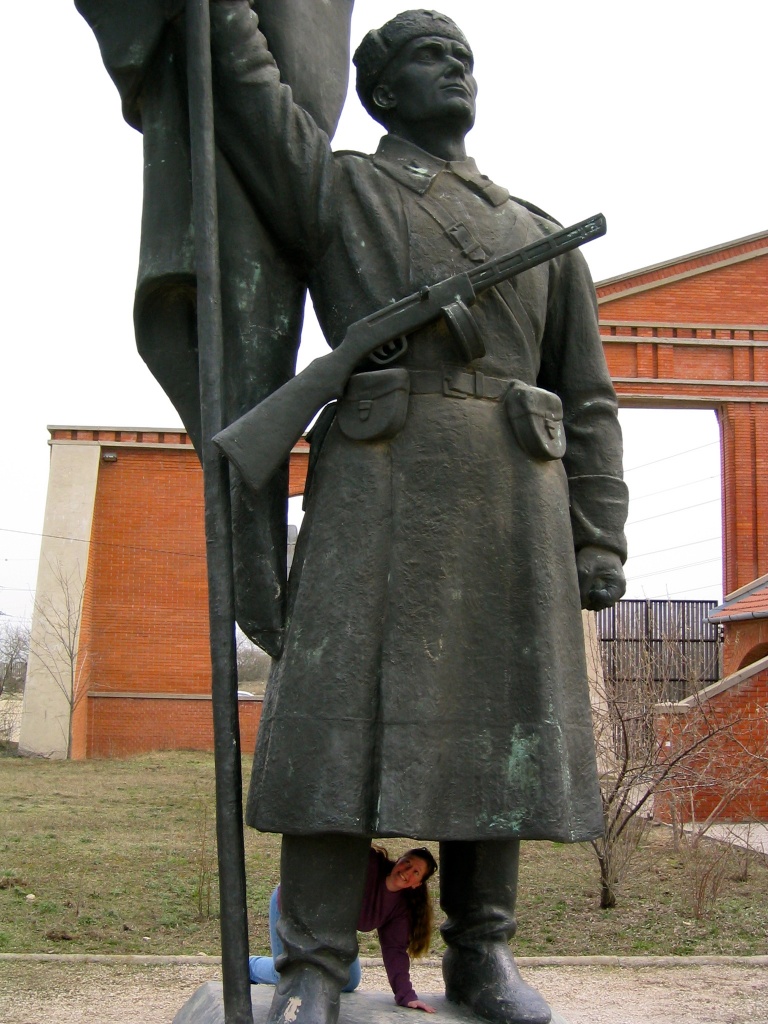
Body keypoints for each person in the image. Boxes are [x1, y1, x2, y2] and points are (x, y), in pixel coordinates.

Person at [207, 6, 629, 1024]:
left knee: (503, 733)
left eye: (466, 58)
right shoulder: (344, 187)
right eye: (429, 56)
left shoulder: (538, 231)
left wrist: (598, 532)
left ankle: (480, 957)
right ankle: (311, 964)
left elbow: (589, 398)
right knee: (334, 730)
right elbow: (252, 101)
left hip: (514, 510)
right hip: (378, 492)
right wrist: (221, 16)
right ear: (381, 90)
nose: (457, 70)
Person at [249, 846, 438, 1013]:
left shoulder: (400, 908)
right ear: (399, 860)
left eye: (416, 872)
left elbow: (394, 950)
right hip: (297, 904)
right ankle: (249, 966)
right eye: (407, 862)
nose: (407, 871)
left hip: (332, 928)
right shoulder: (369, 864)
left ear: (417, 884)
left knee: (347, 981)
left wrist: (407, 996)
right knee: (287, 973)